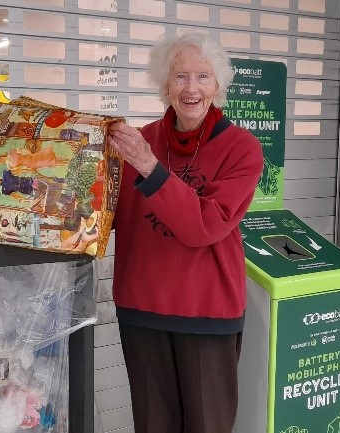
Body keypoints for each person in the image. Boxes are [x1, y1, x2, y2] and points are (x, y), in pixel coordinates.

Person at [107, 32, 264, 433]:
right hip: (142, 307)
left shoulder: (242, 148)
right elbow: (103, 213)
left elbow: (204, 226)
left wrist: (149, 167)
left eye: (203, 76)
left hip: (206, 312)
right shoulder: (139, 142)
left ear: (217, 85)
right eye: (180, 76)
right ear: (165, 84)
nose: (191, 88)